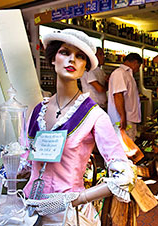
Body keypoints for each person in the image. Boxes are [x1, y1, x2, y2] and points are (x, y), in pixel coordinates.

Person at [24, 29, 135, 224]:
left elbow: (124, 175)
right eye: (65, 52)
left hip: (68, 215)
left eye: (80, 56)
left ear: (85, 66)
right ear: (52, 58)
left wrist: (76, 199)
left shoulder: (94, 115)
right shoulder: (37, 111)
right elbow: (24, 162)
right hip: (28, 211)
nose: (72, 60)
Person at [107, 53, 142, 141]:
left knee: (129, 145)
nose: (138, 70)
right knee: (124, 146)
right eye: (139, 66)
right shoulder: (120, 73)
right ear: (135, 62)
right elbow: (118, 95)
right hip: (123, 119)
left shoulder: (127, 74)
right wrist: (122, 117)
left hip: (128, 118)